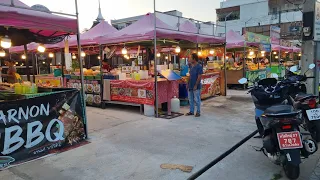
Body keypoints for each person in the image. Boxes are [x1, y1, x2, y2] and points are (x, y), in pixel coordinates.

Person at [186, 53, 203, 117]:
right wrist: (188, 84)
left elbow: (199, 77)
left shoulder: (199, 66)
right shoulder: (190, 66)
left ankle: (198, 112)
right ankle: (191, 111)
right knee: (190, 99)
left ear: (194, 59)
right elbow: (190, 75)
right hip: (190, 84)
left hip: (196, 85)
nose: (189, 59)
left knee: (197, 99)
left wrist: (196, 85)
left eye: (190, 58)